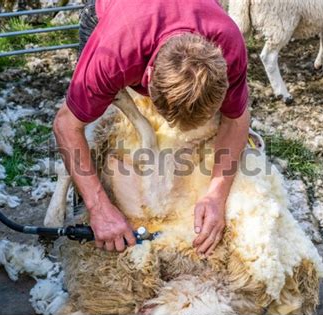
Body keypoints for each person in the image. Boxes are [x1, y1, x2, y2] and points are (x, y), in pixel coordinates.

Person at [53, 0, 250, 256]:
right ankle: (95, 210)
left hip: (175, 17)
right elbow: (66, 124)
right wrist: (98, 206)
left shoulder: (230, 45)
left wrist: (216, 194)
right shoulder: (113, 56)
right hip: (117, 15)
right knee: (96, 122)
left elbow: (236, 119)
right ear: (147, 79)